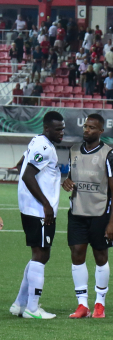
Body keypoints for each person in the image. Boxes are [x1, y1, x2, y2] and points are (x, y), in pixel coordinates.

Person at [62, 114, 113, 319]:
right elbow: (72, 176)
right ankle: (82, 304)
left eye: (92, 127)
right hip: (77, 212)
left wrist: (112, 222)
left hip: (100, 214)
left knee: (100, 257)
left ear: (101, 131)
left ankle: (100, 304)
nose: (87, 130)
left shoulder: (109, 154)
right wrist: (66, 182)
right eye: (85, 126)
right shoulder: (73, 150)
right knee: (77, 254)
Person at [10, 111, 66, 319]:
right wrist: (46, 203)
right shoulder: (44, 146)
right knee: (41, 254)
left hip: (30, 208)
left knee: (39, 254)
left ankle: (20, 304)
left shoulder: (38, 142)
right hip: (39, 210)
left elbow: (20, 165)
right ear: (46, 128)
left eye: (63, 128)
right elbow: (27, 174)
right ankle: (32, 309)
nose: (61, 132)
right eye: (57, 129)